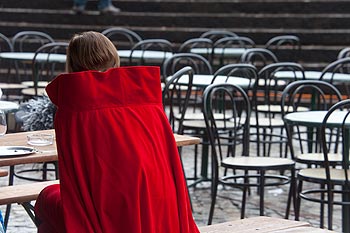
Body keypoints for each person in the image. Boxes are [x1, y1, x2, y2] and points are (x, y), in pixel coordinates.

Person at [34, 31, 199, 233]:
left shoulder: (74, 105)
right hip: (161, 202)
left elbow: (75, 179)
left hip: (111, 209)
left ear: (74, 63)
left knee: (46, 200)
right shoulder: (145, 95)